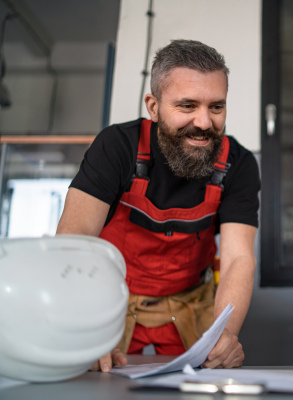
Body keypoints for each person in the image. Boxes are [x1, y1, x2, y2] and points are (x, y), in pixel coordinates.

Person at [56, 40, 260, 371]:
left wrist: (225, 334)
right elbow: (74, 239)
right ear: (153, 106)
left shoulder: (238, 164)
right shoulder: (117, 147)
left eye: (216, 107)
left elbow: (239, 258)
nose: (204, 122)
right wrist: (84, 327)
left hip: (192, 305)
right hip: (110, 305)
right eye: (187, 106)